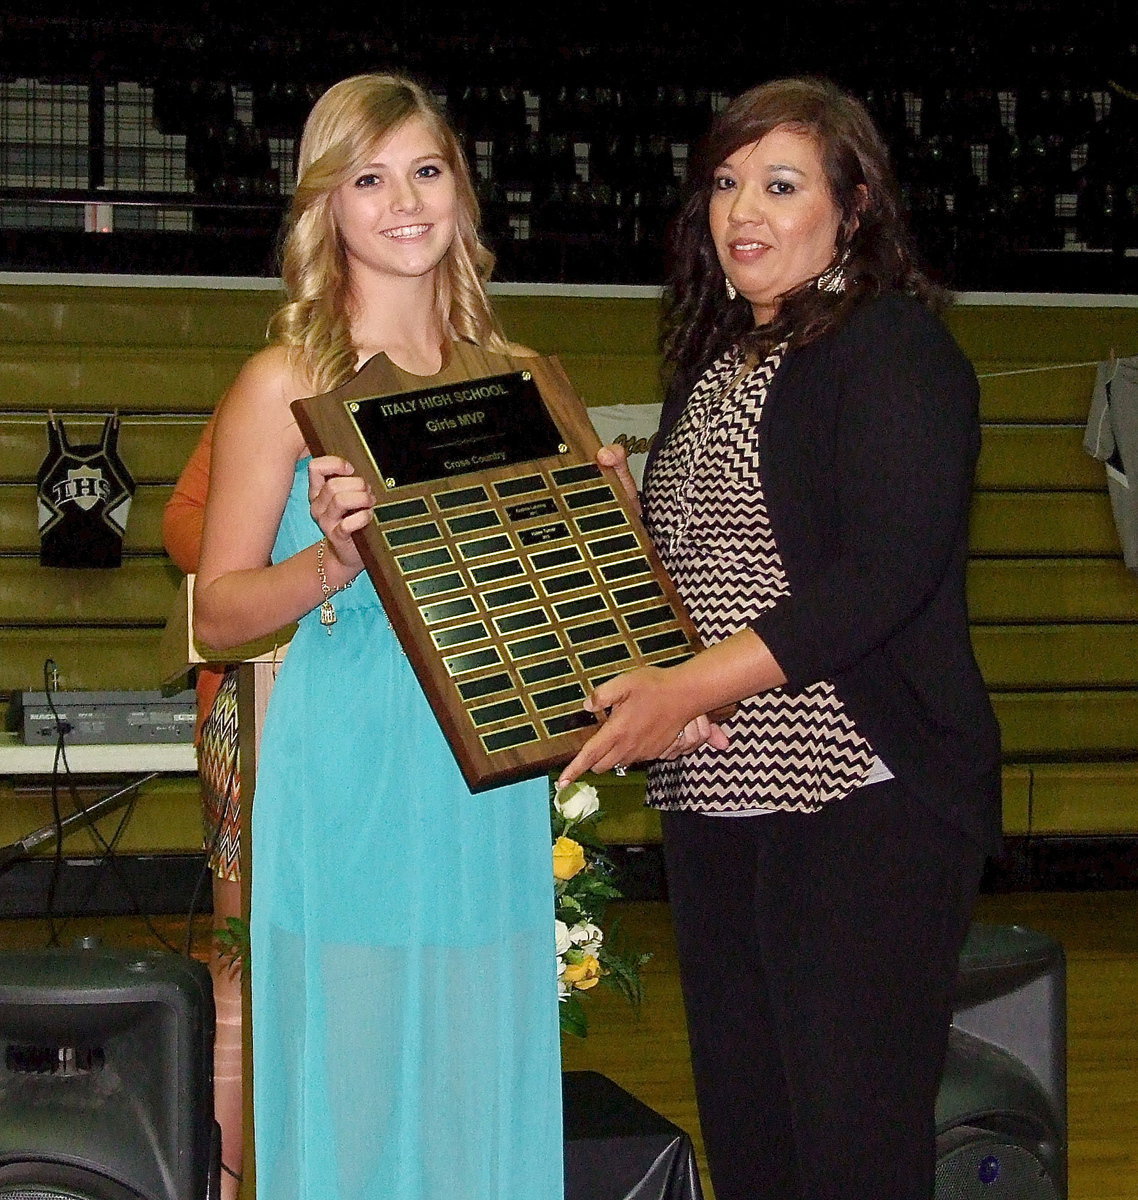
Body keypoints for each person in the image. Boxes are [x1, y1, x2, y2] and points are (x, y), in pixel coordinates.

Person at [558, 77, 1002, 1200]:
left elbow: (876, 579)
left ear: (852, 209)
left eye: (779, 183)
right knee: (755, 1148)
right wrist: (607, 519)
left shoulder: (894, 351)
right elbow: (705, 584)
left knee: (852, 1154)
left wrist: (683, 687)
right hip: (720, 802)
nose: (741, 209)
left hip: (859, 799)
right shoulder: (714, 370)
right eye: (724, 182)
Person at [193, 75, 563, 1200]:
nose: (403, 201)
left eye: (426, 170)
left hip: (487, 773)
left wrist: (604, 531)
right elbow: (214, 611)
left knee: (476, 1085)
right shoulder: (284, 385)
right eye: (368, 177)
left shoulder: (523, 382)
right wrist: (333, 564)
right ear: (328, 208)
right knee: (348, 1089)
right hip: (346, 765)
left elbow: (550, 599)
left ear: (461, 188)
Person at [163, 416, 245, 1200]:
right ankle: (219, 1182)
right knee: (238, 968)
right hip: (252, 705)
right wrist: (267, 564)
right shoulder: (266, 382)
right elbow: (182, 519)